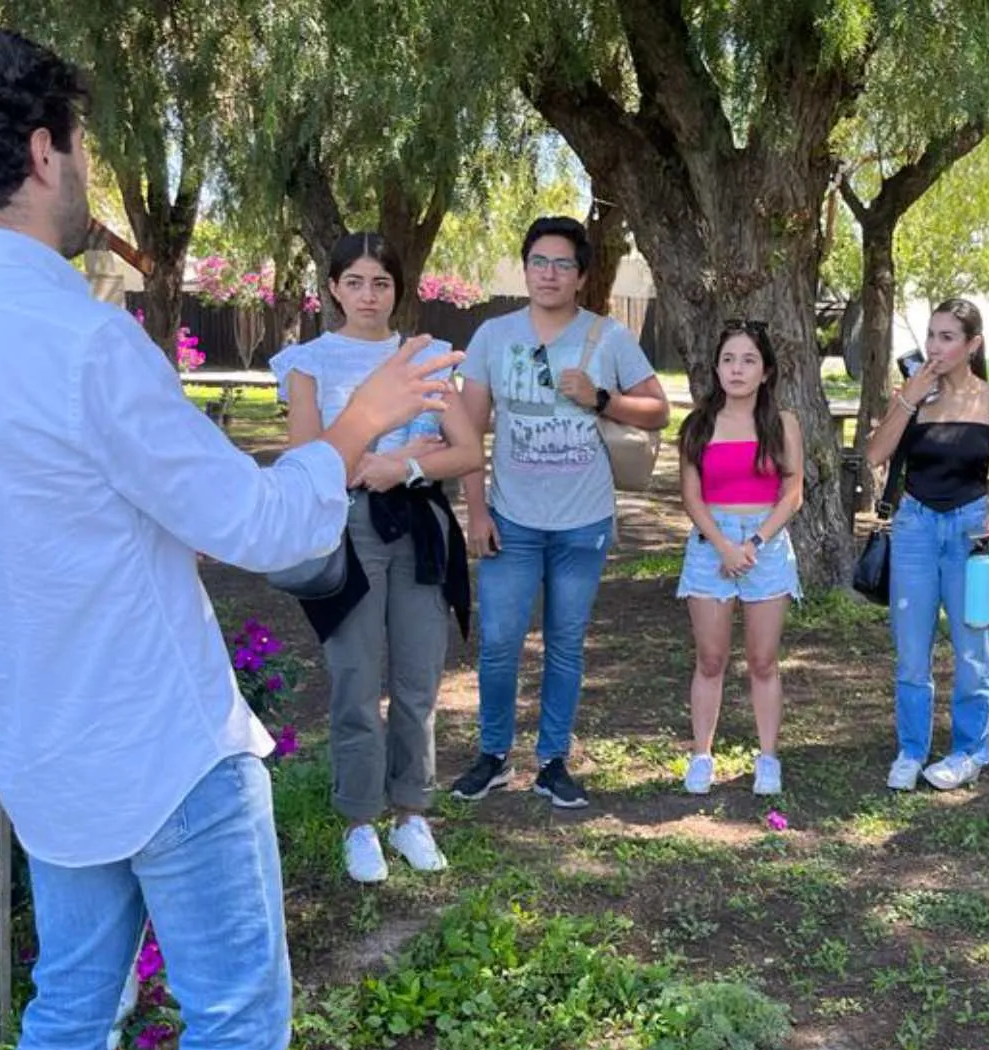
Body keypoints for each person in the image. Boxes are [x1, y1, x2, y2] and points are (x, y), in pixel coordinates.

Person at [0, 25, 456, 1050]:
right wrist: (359, 423)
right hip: (164, 744)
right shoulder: (85, 342)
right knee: (233, 1027)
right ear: (44, 151)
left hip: (36, 751)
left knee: (70, 1012)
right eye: (81, 140)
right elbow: (264, 526)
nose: (86, 163)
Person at [271, 232, 484, 884]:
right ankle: (360, 821)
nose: (369, 295)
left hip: (418, 525)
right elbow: (309, 456)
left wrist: (407, 464)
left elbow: (468, 451)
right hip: (349, 531)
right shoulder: (305, 363)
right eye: (355, 282)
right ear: (333, 287)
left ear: (399, 289)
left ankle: (412, 812)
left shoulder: (422, 358)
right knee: (356, 682)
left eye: (381, 283)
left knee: (420, 681)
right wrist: (358, 465)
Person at [453, 216, 670, 809]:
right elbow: (467, 430)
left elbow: (658, 411)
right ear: (525, 268)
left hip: (583, 522)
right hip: (511, 519)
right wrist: (476, 511)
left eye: (562, 264)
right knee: (498, 642)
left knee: (565, 644)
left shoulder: (609, 337)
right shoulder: (493, 337)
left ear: (581, 276)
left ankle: (553, 761)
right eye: (538, 262)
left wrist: (601, 397)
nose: (549, 274)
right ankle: (493, 755)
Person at [866, 300, 989, 792]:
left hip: (971, 532)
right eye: (932, 335)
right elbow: (874, 453)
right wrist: (909, 399)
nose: (935, 346)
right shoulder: (914, 396)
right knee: (911, 649)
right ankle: (911, 749)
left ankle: (969, 748)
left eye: (948, 337)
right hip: (914, 527)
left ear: (972, 345)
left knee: (973, 647)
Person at [676, 321, 804, 795]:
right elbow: (691, 497)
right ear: (716, 367)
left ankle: (768, 757)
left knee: (763, 660)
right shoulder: (699, 425)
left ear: (766, 371)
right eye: (729, 359)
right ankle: (701, 754)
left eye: (749, 360)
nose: (737, 369)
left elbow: (793, 494)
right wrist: (725, 545)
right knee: (710, 659)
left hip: (765, 546)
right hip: (711, 544)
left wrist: (753, 544)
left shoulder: (783, 423)